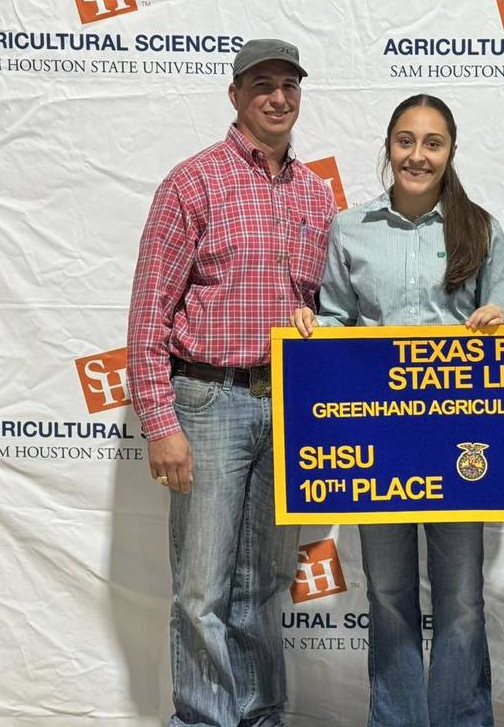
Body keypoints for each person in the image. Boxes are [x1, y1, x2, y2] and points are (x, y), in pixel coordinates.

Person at [127, 38, 335, 727]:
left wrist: (323, 323)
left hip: (286, 402)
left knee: (263, 585)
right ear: (236, 95)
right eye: (263, 85)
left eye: (289, 85)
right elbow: (149, 310)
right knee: (202, 590)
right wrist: (161, 423)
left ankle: (261, 715)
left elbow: (325, 303)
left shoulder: (315, 192)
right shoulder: (193, 182)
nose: (278, 97)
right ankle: (207, 720)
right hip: (208, 400)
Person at [292, 94, 504, 727]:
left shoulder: (481, 229)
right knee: (388, 596)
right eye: (406, 141)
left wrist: (500, 319)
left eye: (433, 143)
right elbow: (338, 318)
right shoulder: (350, 228)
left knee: (462, 599)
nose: (418, 155)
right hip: (378, 439)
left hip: (461, 439)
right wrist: (318, 326)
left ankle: (461, 721)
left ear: (450, 153)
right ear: (388, 148)